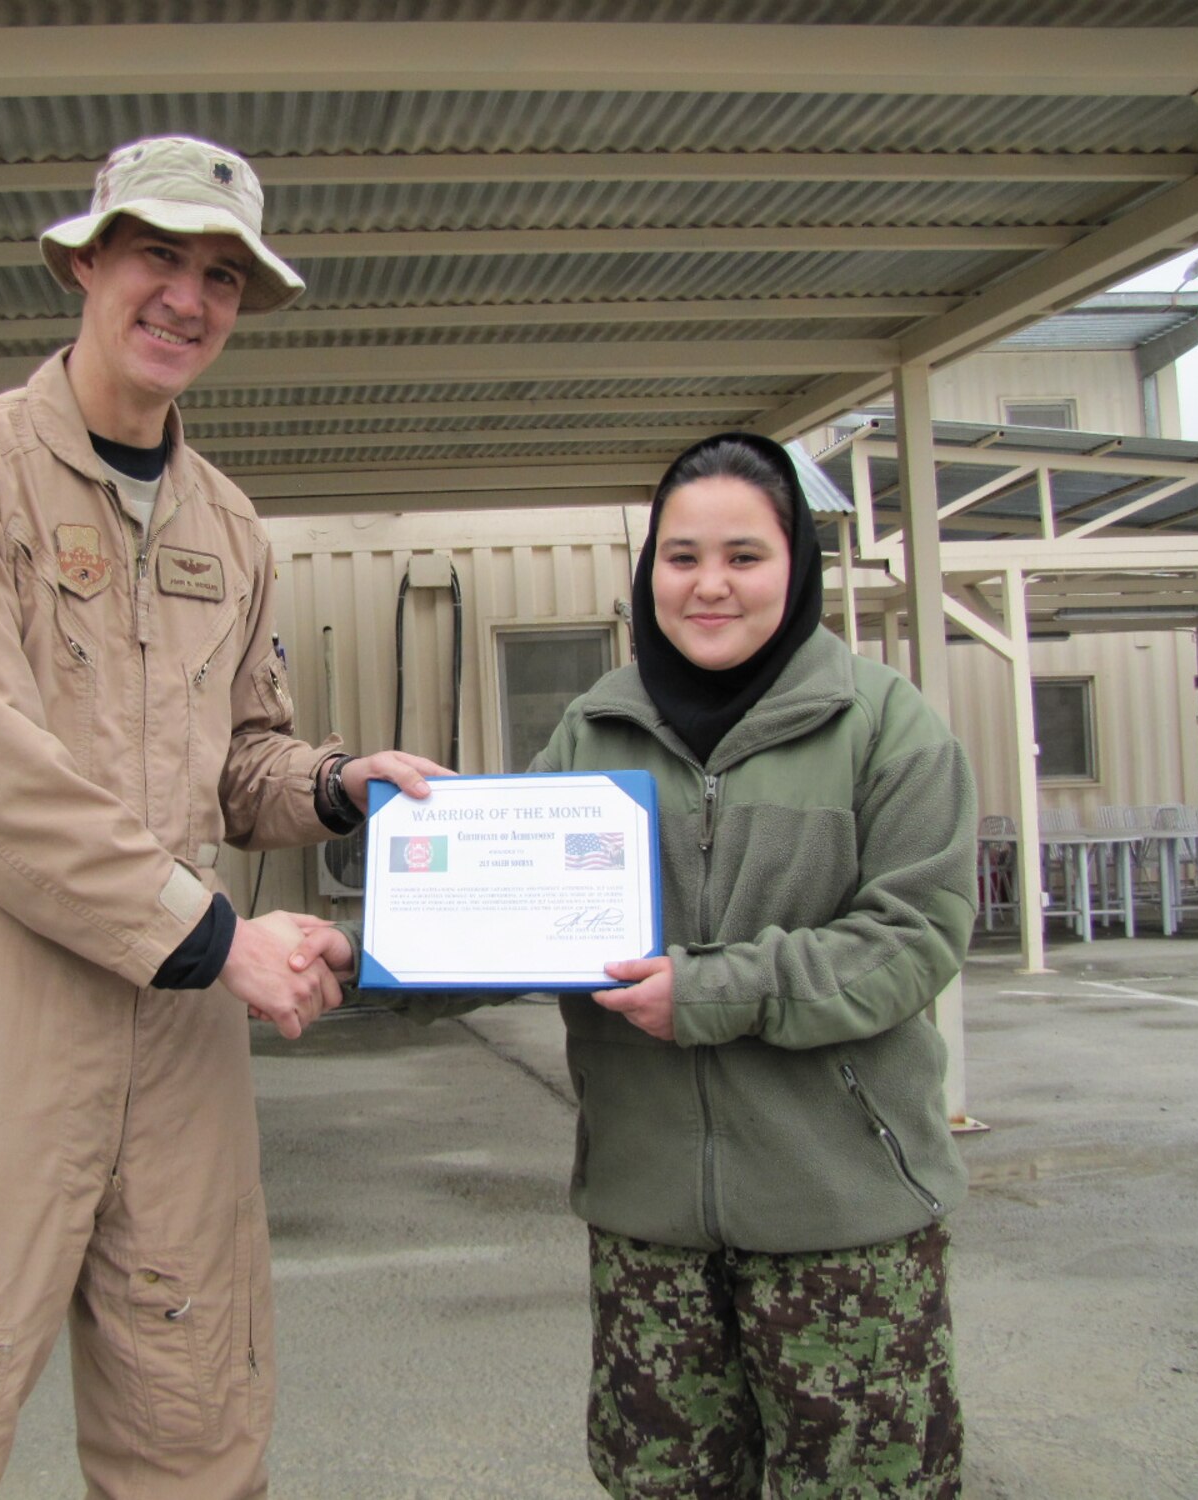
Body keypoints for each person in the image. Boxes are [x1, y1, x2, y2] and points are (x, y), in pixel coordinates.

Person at [0, 135, 446, 1500]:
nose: (186, 299)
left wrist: (330, 785)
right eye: (157, 255)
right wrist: (217, 941)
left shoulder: (228, 525)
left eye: (220, 274)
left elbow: (235, 759)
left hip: (175, 1037)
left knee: (193, 1401)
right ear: (85, 261)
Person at [287, 432, 977, 1497]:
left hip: (843, 1227)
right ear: (647, 567)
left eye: (743, 557)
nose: (708, 586)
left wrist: (715, 990)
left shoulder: (885, 728)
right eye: (680, 555)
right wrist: (367, 951)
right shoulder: (595, 728)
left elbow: (912, 937)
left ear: (797, 567)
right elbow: (518, 919)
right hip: (647, 1224)